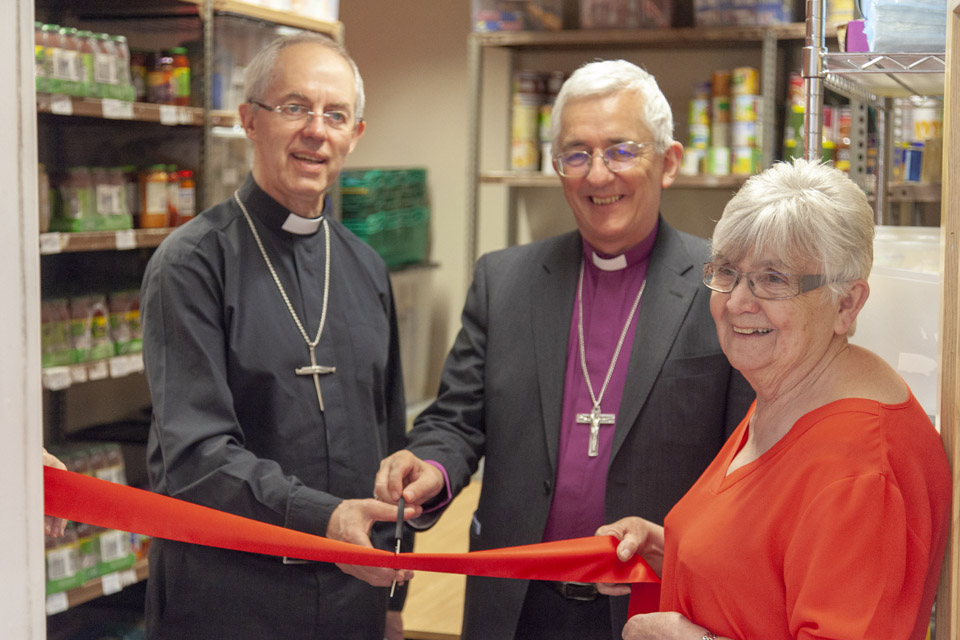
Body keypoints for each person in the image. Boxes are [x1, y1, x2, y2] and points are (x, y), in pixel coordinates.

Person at [374, 59, 754, 639]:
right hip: (516, 606)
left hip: (654, 607)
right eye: (576, 155)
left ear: (669, 162)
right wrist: (429, 468)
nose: (598, 175)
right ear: (557, 169)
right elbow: (455, 420)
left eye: (622, 150)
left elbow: (745, 467)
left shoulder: (724, 287)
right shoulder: (505, 280)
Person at [597, 159, 952, 640]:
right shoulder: (790, 385)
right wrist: (674, 552)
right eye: (727, 272)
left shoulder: (861, 472)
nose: (738, 302)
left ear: (846, 304)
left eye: (774, 279)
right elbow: (774, 556)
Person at [140, 33, 416, 640]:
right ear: (249, 121)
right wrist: (324, 518)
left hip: (353, 602)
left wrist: (396, 596)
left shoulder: (366, 267)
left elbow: (389, 440)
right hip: (230, 604)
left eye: (335, 114)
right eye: (295, 108)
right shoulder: (190, 263)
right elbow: (195, 459)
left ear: (355, 135)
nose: (317, 131)